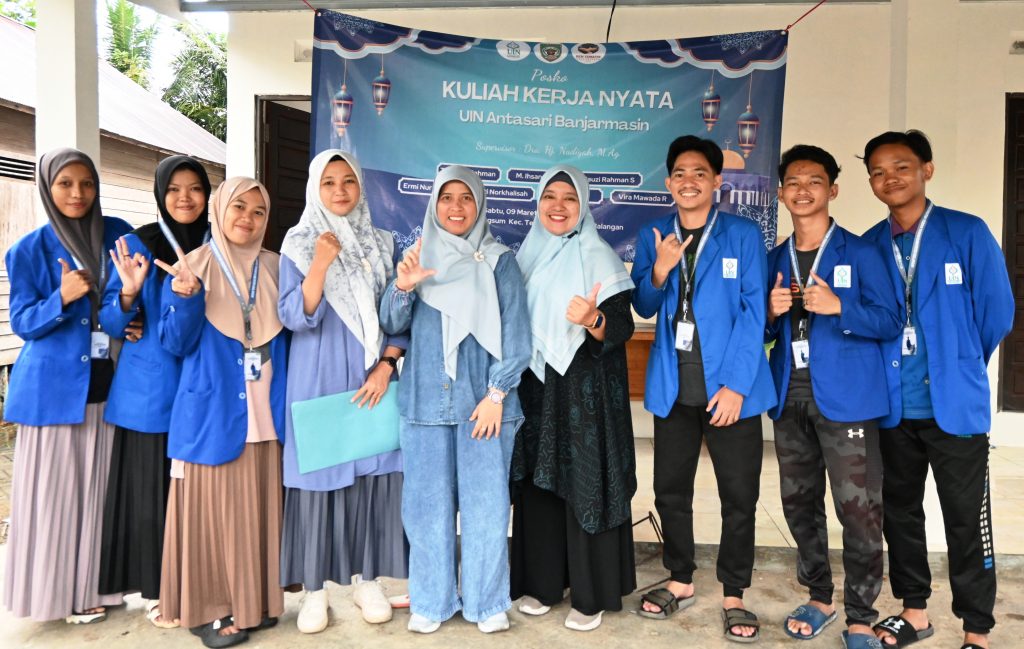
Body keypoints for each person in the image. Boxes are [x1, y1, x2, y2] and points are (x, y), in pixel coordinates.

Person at [861, 130, 1013, 649]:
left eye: (901, 167)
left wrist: (961, 361)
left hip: (955, 406)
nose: (890, 179)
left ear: (927, 169)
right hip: (893, 407)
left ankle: (977, 630)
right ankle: (915, 612)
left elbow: (997, 312)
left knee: (966, 520)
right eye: (878, 171)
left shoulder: (964, 232)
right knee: (901, 514)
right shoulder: (870, 245)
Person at [631, 135, 776, 643]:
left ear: (717, 181)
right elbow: (645, 306)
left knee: (740, 494)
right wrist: (662, 268)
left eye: (699, 173)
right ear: (668, 182)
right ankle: (681, 578)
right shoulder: (655, 234)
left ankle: (734, 592)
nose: (688, 181)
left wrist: (737, 385)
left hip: (731, 391)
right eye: (679, 173)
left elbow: (754, 311)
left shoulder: (740, 234)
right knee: (672, 490)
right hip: (674, 387)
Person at [379, 165, 530, 635]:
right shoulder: (416, 256)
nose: (457, 207)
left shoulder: (501, 261)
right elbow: (392, 322)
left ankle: (486, 603)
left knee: (486, 507)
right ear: (434, 205)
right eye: (448, 198)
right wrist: (403, 287)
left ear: (480, 204)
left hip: (484, 406)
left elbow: (517, 336)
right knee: (425, 508)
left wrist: (497, 392)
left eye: (467, 197)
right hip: (425, 404)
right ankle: (431, 599)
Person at [765, 145, 901, 648]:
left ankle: (861, 615)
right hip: (789, 398)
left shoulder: (861, 251)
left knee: (859, 509)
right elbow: (754, 330)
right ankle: (819, 596)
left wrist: (840, 306)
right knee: (800, 505)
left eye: (814, 181)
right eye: (794, 183)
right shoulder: (775, 257)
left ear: (833, 190)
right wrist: (769, 313)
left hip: (848, 403)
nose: (803, 190)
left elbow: (889, 321)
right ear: (781, 193)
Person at [278, 150, 408, 634]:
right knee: (320, 480)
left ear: (360, 187)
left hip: (372, 380)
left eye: (348, 180)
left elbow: (400, 314)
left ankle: (367, 580)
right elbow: (294, 315)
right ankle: (315, 593)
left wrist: (387, 365)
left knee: (372, 480)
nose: (339, 190)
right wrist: (320, 263)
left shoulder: (382, 243)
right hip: (319, 376)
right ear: (316, 188)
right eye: (329, 182)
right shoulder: (298, 242)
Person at [2, 148, 132, 623]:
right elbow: (22, 322)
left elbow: (120, 315)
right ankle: (53, 597)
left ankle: (94, 589)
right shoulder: (28, 250)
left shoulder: (116, 235)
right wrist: (63, 296)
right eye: (65, 184)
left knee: (97, 493)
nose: (77, 194)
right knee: (54, 499)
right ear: (48, 188)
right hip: (52, 392)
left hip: (103, 385)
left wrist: (130, 304)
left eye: (87, 184)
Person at [156, 177, 286, 648]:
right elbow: (174, 343)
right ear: (219, 210)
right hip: (212, 411)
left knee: (257, 512)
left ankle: (256, 603)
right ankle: (210, 609)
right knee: (213, 517)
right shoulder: (194, 267)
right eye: (238, 208)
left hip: (266, 412)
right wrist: (187, 299)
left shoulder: (277, 267)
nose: (247, 219)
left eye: (257, 211)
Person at [510, 165, 637, 632]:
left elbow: (620, 326)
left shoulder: (598, 255)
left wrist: (593, 319)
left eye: (569, 197)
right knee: (539, 484)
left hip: (586, 393)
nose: (558, 206)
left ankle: (590, 594)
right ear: (539, 203)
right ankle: (544, 585)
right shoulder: (524, 256)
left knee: (585, 481)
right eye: (550, 197)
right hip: (537, 386)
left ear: (583, 205)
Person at [98, 155, 212, 627]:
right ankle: (156, 587)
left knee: (199, 496)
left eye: (195, 189)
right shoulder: (135, 245)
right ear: (160, 194)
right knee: (152, 495)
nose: (184, 198)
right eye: (174, 189)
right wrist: (128, 296)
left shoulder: (219, 242)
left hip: (207, 386)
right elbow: (110, 322)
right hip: (151, 391)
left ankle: (198, 580)